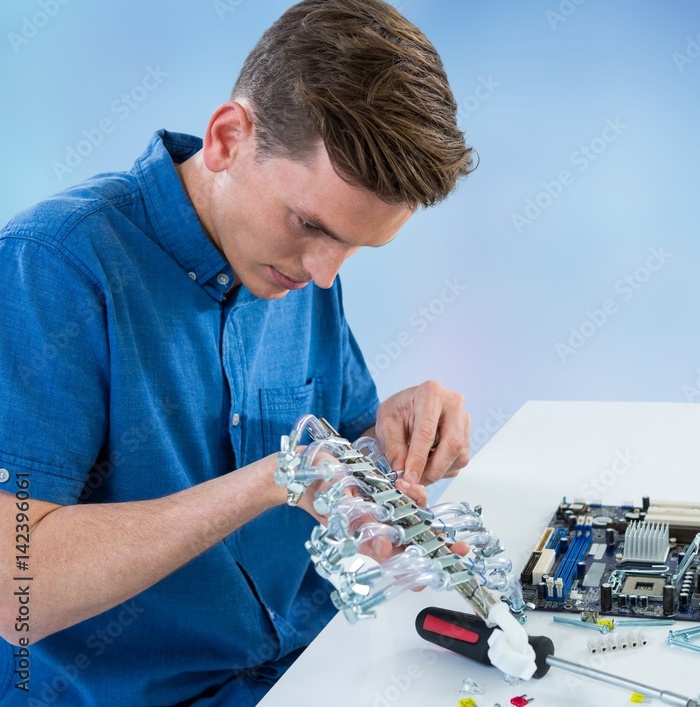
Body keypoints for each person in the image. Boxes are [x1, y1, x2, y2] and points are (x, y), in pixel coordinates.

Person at [0, 0, 475, 703]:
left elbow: (338, 453)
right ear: (227, 138)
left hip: (318, 668)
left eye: (353, 246)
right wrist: (272, 479)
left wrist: (387, 442)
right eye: (311, 225)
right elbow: (17, 587)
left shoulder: (298, 265)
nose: (323, 273)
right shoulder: (55, 267)